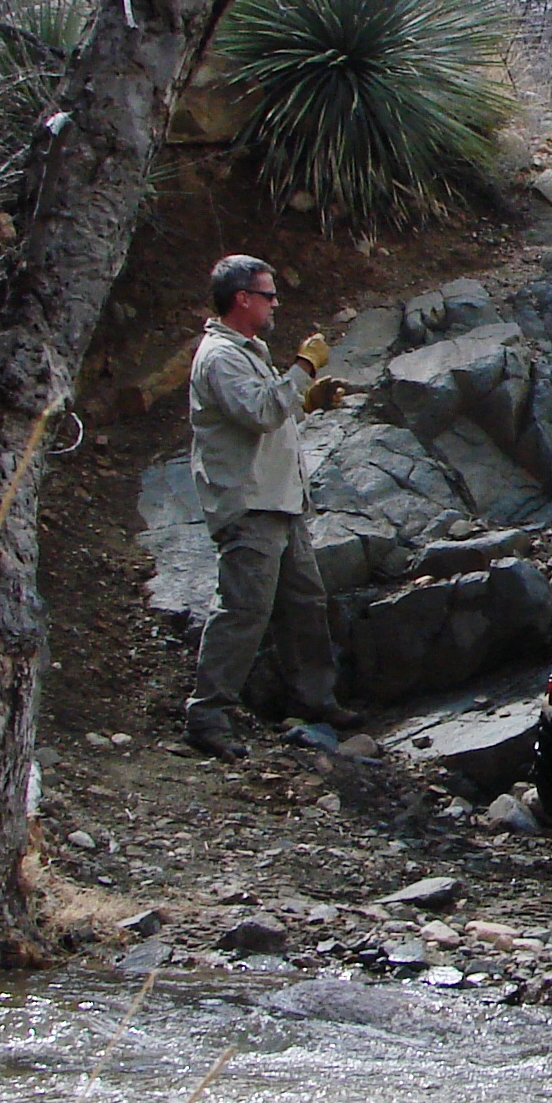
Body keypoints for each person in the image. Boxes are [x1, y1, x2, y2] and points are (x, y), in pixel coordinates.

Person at [185, 253, 351, 758]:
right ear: (242, 298)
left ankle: (314, 700)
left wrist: (306, 402)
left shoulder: (248, 350)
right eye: (268, 295)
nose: (276, 303)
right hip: (250, 506)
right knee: (244, 611)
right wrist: (303, 369)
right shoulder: (220, 356)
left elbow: (268, 415)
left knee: (304, 603)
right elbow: (258, 412)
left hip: (280, 501)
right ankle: (207, 715)